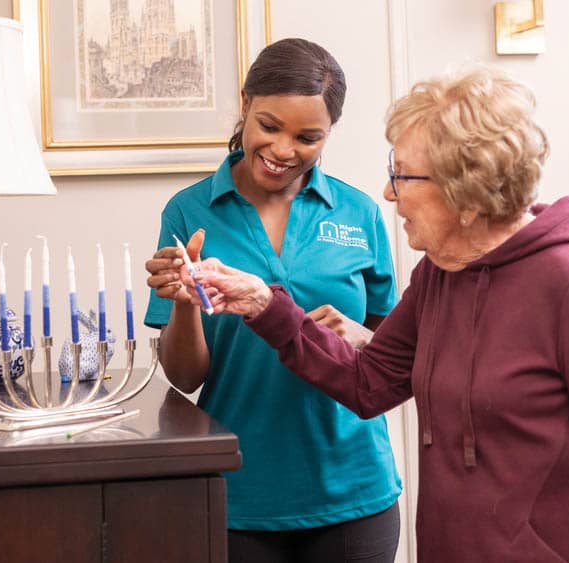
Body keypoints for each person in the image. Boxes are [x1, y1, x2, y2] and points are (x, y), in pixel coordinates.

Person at [169, 67, 569, 562]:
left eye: (403, 175)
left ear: (466, 191)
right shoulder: (441, 271)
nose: (389, 193)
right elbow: (369, 383)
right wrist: (264, 304)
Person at [143, 38, 401, 562]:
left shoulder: (359, 213)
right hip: (241, 492)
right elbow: (187, 378)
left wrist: (360, 337)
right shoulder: (190, 211)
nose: (284, 150)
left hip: (354, 488)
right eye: (269, 126)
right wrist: (187, 300)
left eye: (308, 137)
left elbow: (392, 357)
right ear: (245, 106)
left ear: (330, 134)